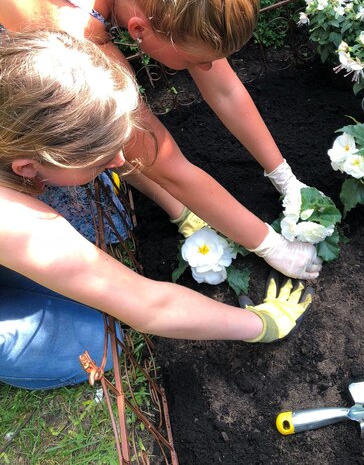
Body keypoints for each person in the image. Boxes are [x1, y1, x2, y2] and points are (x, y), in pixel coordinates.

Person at [0, 0, 322, 281]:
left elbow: (224, 89)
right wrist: (270, 244)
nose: (209, 67)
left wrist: (284, 176)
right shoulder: (72, 31)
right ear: (139, 29)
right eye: (195, 60)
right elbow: (159, 156)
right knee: (92, 128)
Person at [0, 30, 314, 390]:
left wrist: (179, 210)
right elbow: (150, 307)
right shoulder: (13, 221)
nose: (120, 160)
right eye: (101, 159)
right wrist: (260, 325)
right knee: (99, 341)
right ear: (26, 167)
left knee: (72, 284)